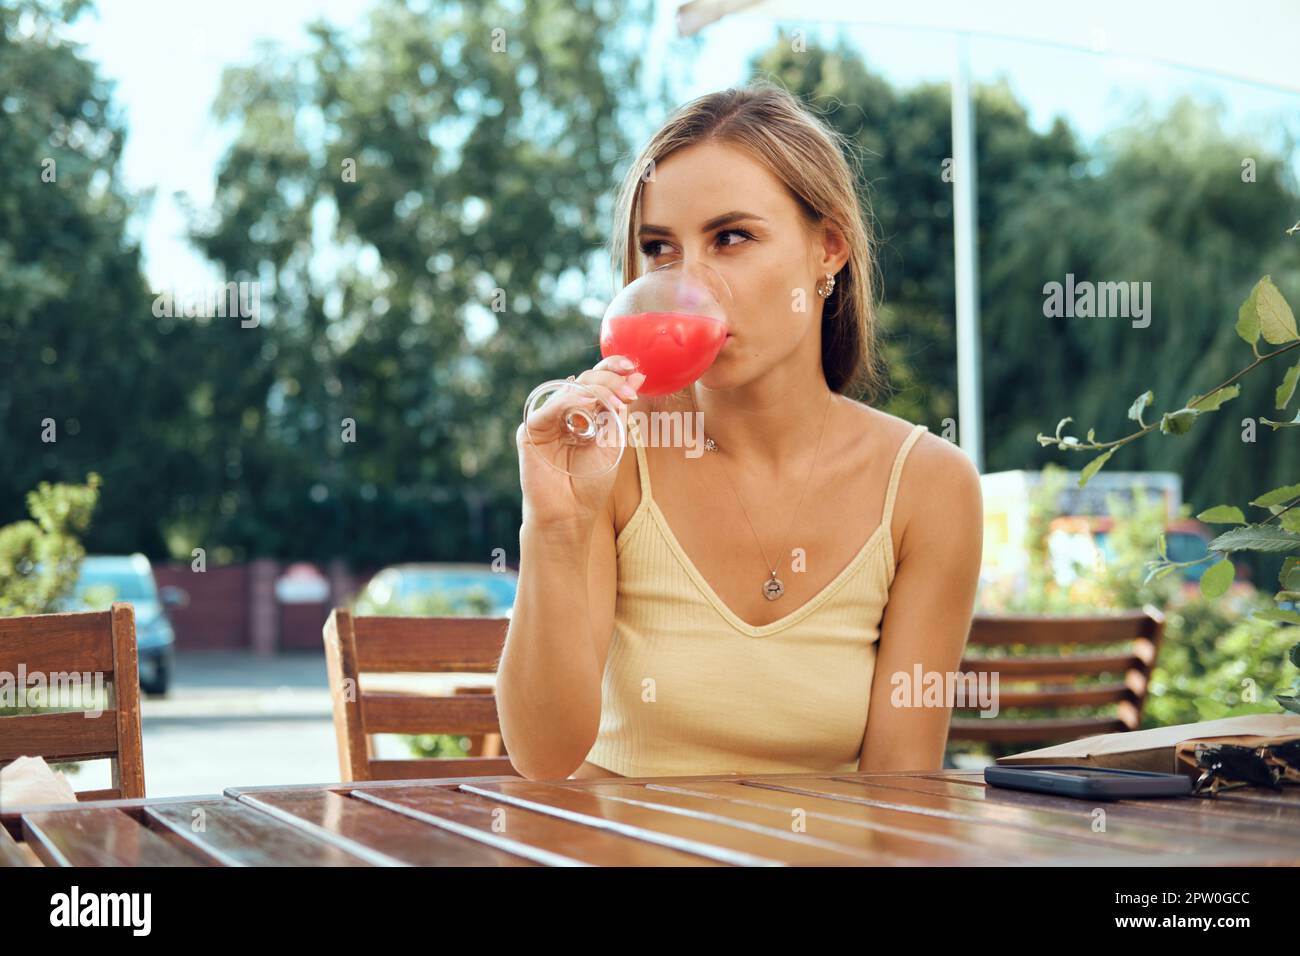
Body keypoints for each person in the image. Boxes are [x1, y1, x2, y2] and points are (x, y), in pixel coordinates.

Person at [498, 81, 983, 780]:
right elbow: (544, 759)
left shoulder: (928, 486)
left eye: (731, 238)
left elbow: (897, 796)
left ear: (829, 250)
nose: (690, 284)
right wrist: (555, 528)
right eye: (660, 250)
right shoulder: (611, 458)